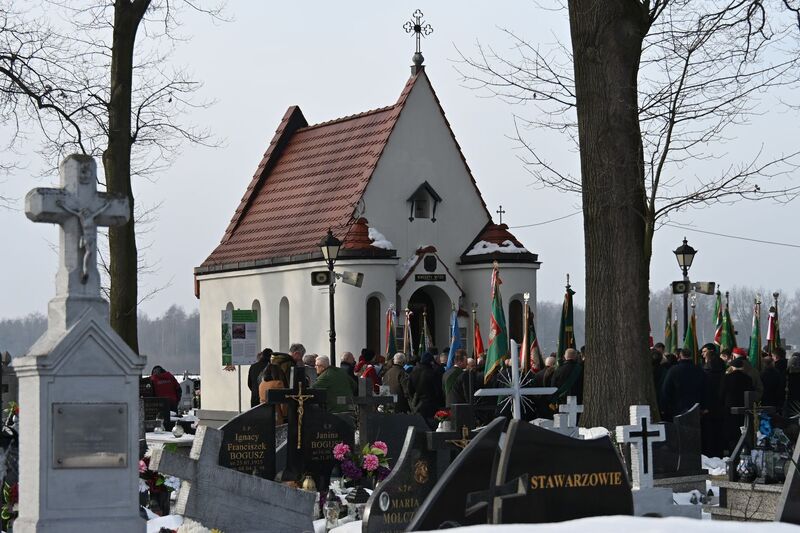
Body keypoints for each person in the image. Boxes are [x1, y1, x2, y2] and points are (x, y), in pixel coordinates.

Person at [661, 348, 706, 421]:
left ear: (680, 355)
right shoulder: (699, 370)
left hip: (677, 408)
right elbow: (705, 389)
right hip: (695, 407)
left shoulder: (673, 370)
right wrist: (704, 406)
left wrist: (665, 407)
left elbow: (666, 390)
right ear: (691, 356)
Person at [720, 357, 754, 454]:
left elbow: (721, 394)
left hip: (729, 408)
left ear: (732, 367)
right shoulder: (748, 378)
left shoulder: (727, 378)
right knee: (742, 430)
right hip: (744, 408)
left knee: (731, 432)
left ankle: (732, 451)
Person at [701, 343, 726, 458]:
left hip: (709, 407)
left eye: (704, 351)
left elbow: (706, 390)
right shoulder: (722, 369)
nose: (702, 353)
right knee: (718, 433)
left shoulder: (707, 371)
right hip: (720, 406)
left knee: (709, 433)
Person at [409, 352, 443, 425]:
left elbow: (410, 389)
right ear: (430, 362)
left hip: (418, 404)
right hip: (431, 404)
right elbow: (438, 390)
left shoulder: (413, 372)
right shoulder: (432, 373)